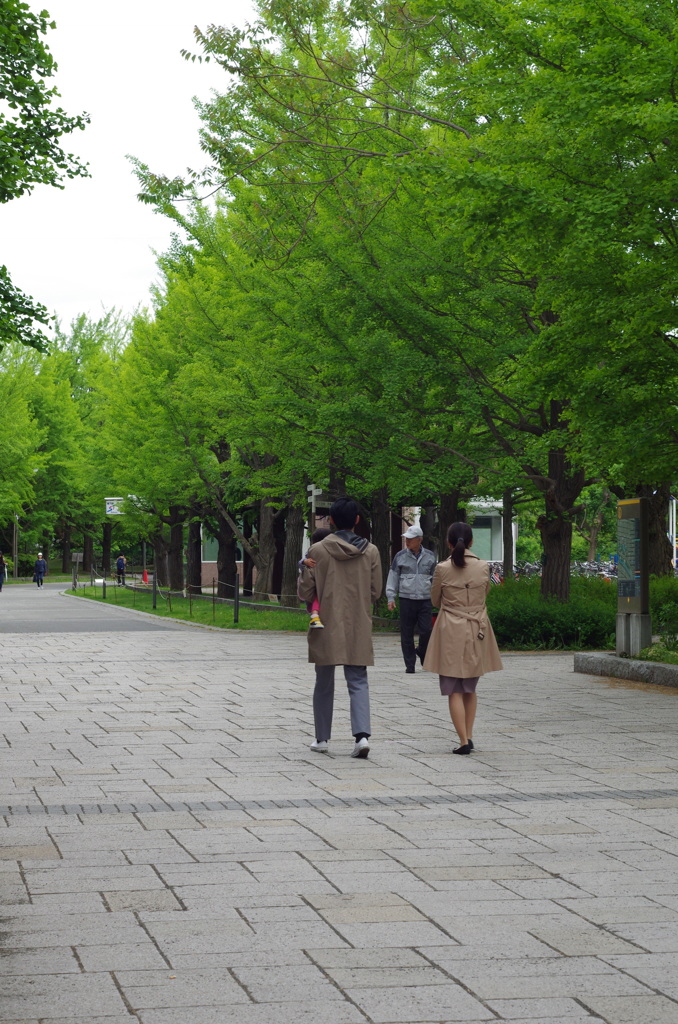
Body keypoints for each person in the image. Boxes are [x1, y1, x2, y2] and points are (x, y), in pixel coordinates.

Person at [298, 497, 382, 759]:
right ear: (357, 520)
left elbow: (305, 591)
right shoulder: (371, 552)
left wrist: (304, 570)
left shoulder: (318, 551)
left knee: (323, 681)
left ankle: (322, 738)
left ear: (331, 520)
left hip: (325, 623)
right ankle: (362, 736)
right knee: (358, 680)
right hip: (358, 622)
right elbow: (375, 591)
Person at [423, 522, 502, 754]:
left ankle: (463, 741)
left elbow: (435, 600)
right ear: (471, 542)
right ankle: (469, 735)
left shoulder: (442, 568)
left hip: (451, 629)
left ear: (449, 542)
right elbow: (485, 593)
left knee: (453, 688)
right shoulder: (483, 567)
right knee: (470, 687)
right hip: (477, 628)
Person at [386, 525, 437, 673]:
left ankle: (422, 651)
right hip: (406, 599)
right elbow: (393, 577)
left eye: (410, 539)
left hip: (425, 599)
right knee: (406, 632)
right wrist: (391, 597)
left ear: (419, 540)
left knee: (426, 630)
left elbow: (436, 578)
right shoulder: (400, 556)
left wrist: (438, 597)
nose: (407, 541)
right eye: (406, 539)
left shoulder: (430, 556)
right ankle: (410, 664)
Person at [299, 527, 331, 628]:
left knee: (317, 596)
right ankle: (315, 614)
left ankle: (315, 615)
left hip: (320, 581)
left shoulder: (316, 550)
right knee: (317, 596)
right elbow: (302, 561)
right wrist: (304, 562)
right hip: (317, 581)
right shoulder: (313, 551)